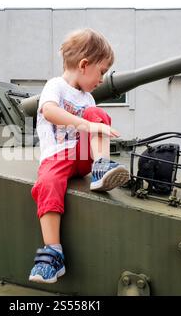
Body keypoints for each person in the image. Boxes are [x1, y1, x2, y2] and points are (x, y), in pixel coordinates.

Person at [29, 28, 129, 284]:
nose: (102, 79)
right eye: (102, 71)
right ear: (84, 65)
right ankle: (53, 253)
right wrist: (85, 126)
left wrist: (94, 125)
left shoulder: (89, 99)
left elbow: (95, 124)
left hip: (83, 158)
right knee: (46, 185)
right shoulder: (56, 86)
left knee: (99, 116)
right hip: (55, 157)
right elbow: (49, 111)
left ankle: (101, 167)